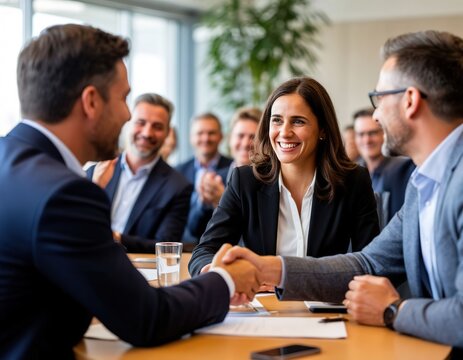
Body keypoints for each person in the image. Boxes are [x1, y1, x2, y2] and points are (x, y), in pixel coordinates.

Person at [0, 24, 260, 359]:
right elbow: (148, 318)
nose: (126, 115)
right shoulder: (65, 195)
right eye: (123, 98)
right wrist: (226, 279)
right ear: (91, 101)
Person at [222, 30, 463, 349]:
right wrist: (272, 268)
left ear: (409, 101)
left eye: (379, 98)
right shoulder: (423, 184)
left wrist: (393, 310)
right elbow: (368, 264)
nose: (375, 115)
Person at [189, 77, 380, 276]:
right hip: (264, 305)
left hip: (326, 304)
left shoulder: (352, 181)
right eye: (277, 120)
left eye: (298, 121)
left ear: (322, 129)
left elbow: (371, 261)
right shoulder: (245, 181)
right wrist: (215, 272)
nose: (284, 132)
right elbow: (204, 251)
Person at [87, 93, 192, 253]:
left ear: (167, 132)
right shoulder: (96, 170)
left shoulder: (178, 186)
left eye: (157, 126)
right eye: (140, 123)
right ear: (129, 123)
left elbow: (166, 245)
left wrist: (115, 238)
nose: (147, 133)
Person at [176, 113, 232, 245]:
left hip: (221, 243)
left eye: (211, 133)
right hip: (185, 244)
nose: (206, 138)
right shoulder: (178, 171)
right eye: (200, 133)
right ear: (191, 138)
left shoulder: (233, 169)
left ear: (221, 136)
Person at [353, 107, 415, 223]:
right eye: (361, 134)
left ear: (384, 133)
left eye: (372, 133)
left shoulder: (406, 169)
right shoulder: (352, 174)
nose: (367, 140)